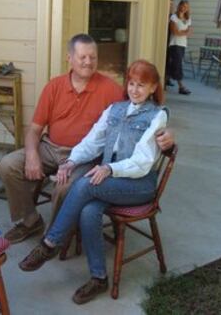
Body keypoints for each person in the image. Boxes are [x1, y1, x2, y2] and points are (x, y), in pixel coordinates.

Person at [0, 34, 173, 244]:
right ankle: (29, 221)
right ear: (69, 58)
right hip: (49, 147)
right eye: (82, 57)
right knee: (8, 165)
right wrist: (32, 154)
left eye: (93, 57)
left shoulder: (111, 90)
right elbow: (35, 129)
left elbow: (140, 113)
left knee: (64, 187)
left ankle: (55, 236)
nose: (88, 62)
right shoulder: (54, 86)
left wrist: (167, 135)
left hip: (86, 157)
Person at [18, 60, 168, 304]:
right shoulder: (115, 110)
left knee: (86, 185)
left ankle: (50, 242)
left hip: (139, 185)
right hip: (113, 181)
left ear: (153, 88)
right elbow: (93, 141)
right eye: (131, 83)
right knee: (88, 211)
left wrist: (109, 168)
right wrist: (71, 161)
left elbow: (143, 161)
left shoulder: (157, 115)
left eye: (141, 85)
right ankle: (99, 278)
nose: (134, 89)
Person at [168, 0, 193, 95]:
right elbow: (174, 32)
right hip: (175, 44)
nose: (184, 8)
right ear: (179, 6)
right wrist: (185, 32)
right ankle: (181, 86)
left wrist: (183, 32)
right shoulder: (174, 17)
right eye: (182, 6)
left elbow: (190, 32)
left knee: (174, 64)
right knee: (178, 65)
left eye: (186, 6)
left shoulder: (188, 18)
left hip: (183, 44)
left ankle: (166, 78)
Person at [165, 0, 175, 87]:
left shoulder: (173, 16)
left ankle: (167, 79)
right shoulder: (163, 15)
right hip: (164, 41)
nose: (171, 6)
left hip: (171, 42)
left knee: (170, 61)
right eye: (169, 4)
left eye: (172, 4)